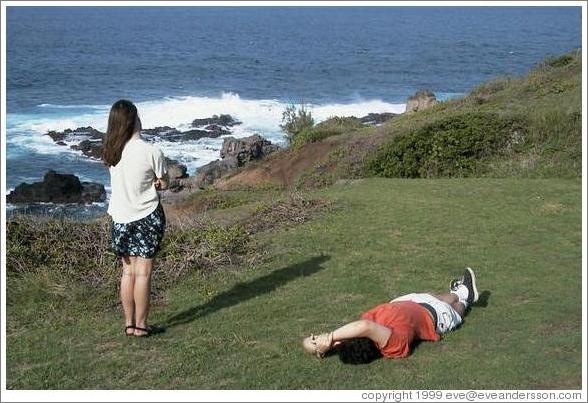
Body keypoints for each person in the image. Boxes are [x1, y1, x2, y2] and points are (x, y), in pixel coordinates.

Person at [303, 267, 479, 360]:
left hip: (410, 303)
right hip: (436, 316)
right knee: (455, 310)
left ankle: (458, 291)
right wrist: (330, 336)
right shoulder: (392, 345)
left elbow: (357, 331)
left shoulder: (371, 333)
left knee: (434, 296)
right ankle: (465, 298)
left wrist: (320, 344)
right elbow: (364, 327)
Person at [102, 99, 168, 337]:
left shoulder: (112, 153)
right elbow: (163, 182)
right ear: (133, 121)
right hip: (147, 215)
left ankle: (129, 324)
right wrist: (158, 182)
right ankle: (141, 325)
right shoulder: (152, 151)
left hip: (120, 218)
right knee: (143, 273)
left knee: (127, 272)